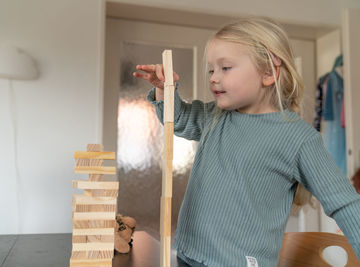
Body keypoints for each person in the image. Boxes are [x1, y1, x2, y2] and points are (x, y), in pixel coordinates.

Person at [132, 17, 360, 267]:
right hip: (188, 254)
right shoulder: (215, 117)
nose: (213, 78)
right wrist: (165, 90)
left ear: (268, 72)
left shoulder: (299, 139)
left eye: (225, 68)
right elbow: (177, 118)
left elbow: (346, 203)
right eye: (211, 70)